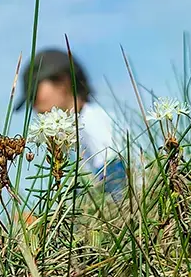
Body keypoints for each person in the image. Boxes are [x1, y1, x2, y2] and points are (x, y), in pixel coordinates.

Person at [15, 48, 128, 196]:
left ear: (63, 82)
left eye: (34, 92)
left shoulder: (94, 121)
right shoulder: (75, 132)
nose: (34, 104)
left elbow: (117, 183)